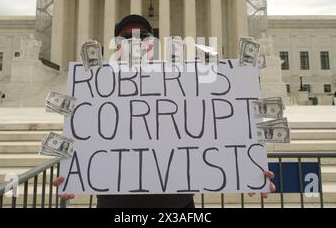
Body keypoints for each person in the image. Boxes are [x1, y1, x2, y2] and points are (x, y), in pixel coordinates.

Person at [53, 14, 276, 208]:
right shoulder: (91, 91)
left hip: (176, 206)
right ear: (116, 45)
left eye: (143, 37)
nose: (136, 42)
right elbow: (81, 143)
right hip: (116, 205)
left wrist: (249, 171)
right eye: (126, 38)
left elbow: (219, 128)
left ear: (152, 44)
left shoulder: (186, 85)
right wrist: (70, 176)